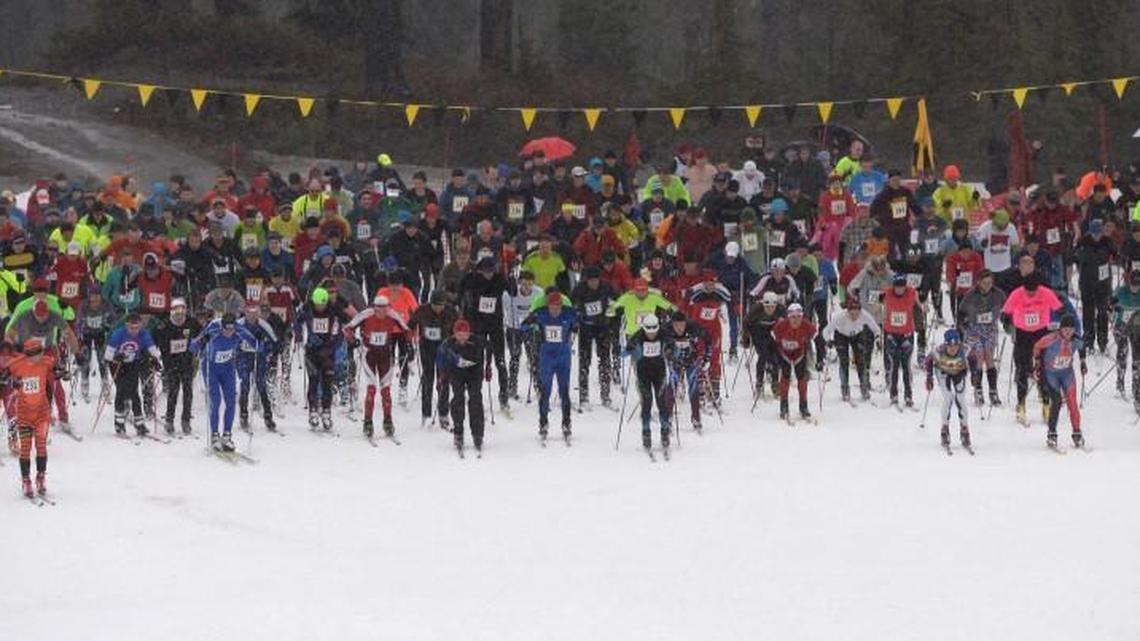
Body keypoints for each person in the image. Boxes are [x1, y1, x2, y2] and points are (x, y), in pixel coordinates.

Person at [1001, 274, 1064, 426]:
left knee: (1043, 368)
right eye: (1028, 292)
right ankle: (1021, 404)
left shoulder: (1046, 293)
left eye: (1033, 291)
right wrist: (1007, 320)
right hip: (1022, 333)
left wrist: (1062, 319)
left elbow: (1060, 308)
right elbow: (1005, 312)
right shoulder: (1017, 294)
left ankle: (1046, 403)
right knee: (1022, 369)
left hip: (1041, 332)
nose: (1030, 294)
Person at [4, 338, 63, 498]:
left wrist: (61, 372)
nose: (39, 357)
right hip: (24, 415)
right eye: (36, 354)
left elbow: (57, 368)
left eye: (40, 353)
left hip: (42, 414)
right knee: (25, 448)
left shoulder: (46, 361)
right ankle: (26, 480)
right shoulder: (16, 364)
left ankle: (41, 477)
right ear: (28, 353)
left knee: (41, 445)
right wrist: (12, 382)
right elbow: (5, 376)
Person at [345, 294, 409, 438]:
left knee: (385, 391)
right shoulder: (366, 315)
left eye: (384, 309)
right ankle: (368, 422)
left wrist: (409, 345)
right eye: (378, 309)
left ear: (388, 308)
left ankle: (388, 421)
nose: (381, 313)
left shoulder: (393, 315)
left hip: (385, 357)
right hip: (369, 356)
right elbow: (348, 328)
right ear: (374, 308)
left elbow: (407, 330)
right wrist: (353, 340)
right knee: (371, 389)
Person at [192, 313, 256, 451]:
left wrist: (259, 341)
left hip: (228, 369)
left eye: (232, 329)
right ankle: (214, 435)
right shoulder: (213, 328)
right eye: (226, 329)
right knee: (216, 401)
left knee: (231, 401)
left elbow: (256, 343)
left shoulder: (238, 329)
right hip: (211, 369)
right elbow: (193, 345)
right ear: (222, 327)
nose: (229, 332)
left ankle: (227, 435)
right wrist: (202, 341)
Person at [523, 287, 578, 441]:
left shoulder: (569, 313)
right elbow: (523, 326)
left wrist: (576, 326)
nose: (554, 310)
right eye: (551, 307)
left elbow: (582, 320)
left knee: (564, 391)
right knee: (545, 391)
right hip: (546, 356)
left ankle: (566, 423)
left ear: (561, 305)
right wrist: (529, 322)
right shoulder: (541, 313)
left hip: (563, 356)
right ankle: (543, 423)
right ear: (547, 306)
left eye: (557, 307)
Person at [295, 286, 350, 430]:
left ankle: (326, 411)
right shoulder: (308, 310)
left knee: (327, 383)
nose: (320, 307)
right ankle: (313, 410)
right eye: (318, 304)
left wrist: (335, 345)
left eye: (323, 304)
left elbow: (344, 324)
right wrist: (299, 337)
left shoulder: (333, 311)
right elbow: (297, 322)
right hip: (312, 351)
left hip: (328, 352)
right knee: (313, 381)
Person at [460, 257, 511, 413]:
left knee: (500, 361)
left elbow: (513, 292)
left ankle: (504, 397)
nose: (488, 274)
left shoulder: (499, 279)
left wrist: (511, 281)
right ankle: (476, 396)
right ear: (479, 271)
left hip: (495, 325)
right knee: (477, 362)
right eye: (485, 272)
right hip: (478, 325)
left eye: (491, 271)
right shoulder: (472, 279)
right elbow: (460, 292)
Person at [104, 313, 163, 437]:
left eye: (137, 328)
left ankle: (139, 423)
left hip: (133, 363)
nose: (134, 331)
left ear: (141, 326)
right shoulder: (118, 334)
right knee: (121, 391)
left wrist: (156, 360)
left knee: (134, 393)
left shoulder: (144, 334)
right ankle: (119, 424)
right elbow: (107, 356)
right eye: (131, 328)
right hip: (117, 364)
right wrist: (116, 356)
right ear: (126, 326)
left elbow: (152, 348)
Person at [1032, 315, 1087, 449]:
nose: (1068, 333)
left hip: (1067, 374)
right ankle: (1052, 433)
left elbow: (1082, 347)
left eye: (1071, 330)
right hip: (1051, 374)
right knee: (1056, 401)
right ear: (1060, 329)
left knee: (1072, 403)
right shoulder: (1051, 338)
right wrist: (1038, 363)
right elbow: (1037, 346)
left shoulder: (1076, 339)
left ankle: (1077, 433)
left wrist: (1083, 362)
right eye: (1065, 329)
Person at [956, 270, 1007, 406]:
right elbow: (961, 312)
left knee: (989, 357)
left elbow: (1006, 308)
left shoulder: (998, 294)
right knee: (979, 357)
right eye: (984, 283)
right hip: (974, 329)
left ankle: (993, 391)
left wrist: (1006, 319)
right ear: (978, 282)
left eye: (990, 283)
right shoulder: (970, 295)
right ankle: (978, 390)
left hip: (990, 329)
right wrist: (962, 323)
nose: (987, 286)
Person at [151, 298, 202, 435]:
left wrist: (199, 344)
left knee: (188, 392)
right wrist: (153, 358)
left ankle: (186, 420)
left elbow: (202, 334)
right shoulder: (163, 326)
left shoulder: (192, 323)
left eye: (182, 314)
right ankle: (169, 420)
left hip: (187, 362)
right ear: (172, 313)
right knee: (173, 391)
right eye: (177, 314)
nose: (180, 317)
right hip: (171, 363)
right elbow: (152, 343)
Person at [437, 319, 487, 456]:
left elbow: (489, 348)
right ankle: (458, 431)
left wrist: (488, 366)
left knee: (475, 399)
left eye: (465, 334)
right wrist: (442, 373)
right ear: (454, 334)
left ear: (469, 333)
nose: (462, 338)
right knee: (458, 399)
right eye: (459, 334)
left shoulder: (477, 341)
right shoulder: (448, 344)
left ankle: (477, 433)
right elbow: (440, 357)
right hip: (457, 373)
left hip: (474, 372)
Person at [625, 314, 672, 455]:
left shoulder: (664, 334)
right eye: (648, 331)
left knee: (661, 402)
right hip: (643, 374)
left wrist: (670, 352)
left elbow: (674, 348)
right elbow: (624, 351)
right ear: (643, 328)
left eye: (654, 330)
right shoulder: (638, 336)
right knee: (647, 402)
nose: (651, 334)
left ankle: (665, 431)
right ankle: (646, 432)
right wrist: (632, 350)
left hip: (659, 373)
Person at [408, 289, 456, 428]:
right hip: (426, 347)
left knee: (444, 379)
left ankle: (443, 413)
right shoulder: (422, 310)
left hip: (444, 348)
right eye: (435, 305)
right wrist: (410, 340)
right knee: (427, 378)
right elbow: (411, 325)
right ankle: (426, 413)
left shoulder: (451, 311)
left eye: (441, 306)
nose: (438, 308)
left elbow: (457, 328)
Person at [924, 328, 976, 452]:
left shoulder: (965, 350)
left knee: (960, 399)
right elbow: (928, 361)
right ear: (945, 344)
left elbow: (974, 359)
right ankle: (945, 429)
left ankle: (964, 429)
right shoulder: (939, 351)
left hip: (959, 372)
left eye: (956, 346)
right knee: (948, 398)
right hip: (943, 372)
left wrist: (974, 374)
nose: (953, 349)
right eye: (950, 346)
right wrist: (929, 377)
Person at [572, 267, 615, 408]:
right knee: (584, 360)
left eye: (595, 280)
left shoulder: (606, 287)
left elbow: (616, 301)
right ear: (586, 280)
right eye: (590, 281)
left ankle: (605, 394)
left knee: (605, 359)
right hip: (586, 327)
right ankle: (584, 396)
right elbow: (573, 305)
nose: (593, 283)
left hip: (602, 327)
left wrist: (612, 311)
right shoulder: (580, 289)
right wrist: (578, 313)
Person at [821, 297, 880, 402]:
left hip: (857, 335)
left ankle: (864, 388)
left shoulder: (864, 315)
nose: (854, 316)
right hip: (841, 335)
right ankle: (845, 389)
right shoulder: (840, 317)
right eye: (851, 313)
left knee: (860, 361)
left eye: (856, 313)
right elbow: (826, 331)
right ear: (847, 311)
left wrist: (878, 338)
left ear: (860, 311)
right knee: (844, 361)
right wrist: (828, 341)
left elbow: (875, 328)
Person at [662, 310, 712, 432]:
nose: (679, 328)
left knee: (694, 387)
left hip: (691, 360)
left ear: (686, 323)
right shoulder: (666, 329)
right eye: (676, 325)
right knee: (672, 386)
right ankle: (668, 418)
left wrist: (707, 357)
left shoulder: (693, 327)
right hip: (675, 360)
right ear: (672, 324)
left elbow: (708, 338)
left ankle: (696, 418)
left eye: (682, 325)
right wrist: (665, 355)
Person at [770, 303, 817, 421]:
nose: (796, 320)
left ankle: (803, 406)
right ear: (788, 317)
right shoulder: (781, 326)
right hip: (784, 353)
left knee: (801, 377)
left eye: (798, 317)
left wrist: (820, 353)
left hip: (799, 353)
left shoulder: (806, 325)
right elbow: (772, 338)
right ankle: (784, 406)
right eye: (793, 317)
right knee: (785, 376)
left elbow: (816, 336)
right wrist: (773, 354)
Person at [236, 305, 278, 432]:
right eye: (249, 313)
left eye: (255, 313)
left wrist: (265, 348)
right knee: (245, 384)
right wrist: (236, 352)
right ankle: (243, 414)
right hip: (243, 358)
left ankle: (268, 415)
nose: (252, 316)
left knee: (261, 385)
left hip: (259, 359)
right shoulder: (239, 325)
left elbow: (275, 342)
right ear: (245, 312)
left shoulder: (263, 325)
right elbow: (231, 339)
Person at [881, 273, 919, 407]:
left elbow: (919, 302)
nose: (899, 289)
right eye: (897, 286)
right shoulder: (887, 293)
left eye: (902, 286)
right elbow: (875, 300)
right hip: (891, 333)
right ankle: (893, 395)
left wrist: (923, 307)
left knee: (906, 365)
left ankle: (908, 396)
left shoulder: (911, 292)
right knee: (894, 364)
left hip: (907, 333)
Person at [740, 292, 784, 399]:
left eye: (772, 307)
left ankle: (775, 383)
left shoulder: (780, 309)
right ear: (763, 304)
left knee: (776, 356)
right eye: (767, 307)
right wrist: (746, 339)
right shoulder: (756, 309)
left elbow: (786, 322)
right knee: (763, 355)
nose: (770, 309)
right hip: (757, 330)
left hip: (771, 330)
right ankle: (759, 383)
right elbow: (745, 323)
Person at [1110, 271, 1140, 404]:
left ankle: (1136, 388)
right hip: (1120, 325)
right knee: (1123, 351)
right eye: (1133, 284)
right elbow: (1110, 304)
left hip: (1136, 327)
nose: (1135, 288)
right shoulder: (1121, 291)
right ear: (1129, 283)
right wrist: (1113, 307)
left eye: (1138, 285)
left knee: (1137, 358)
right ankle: (1120, 383)